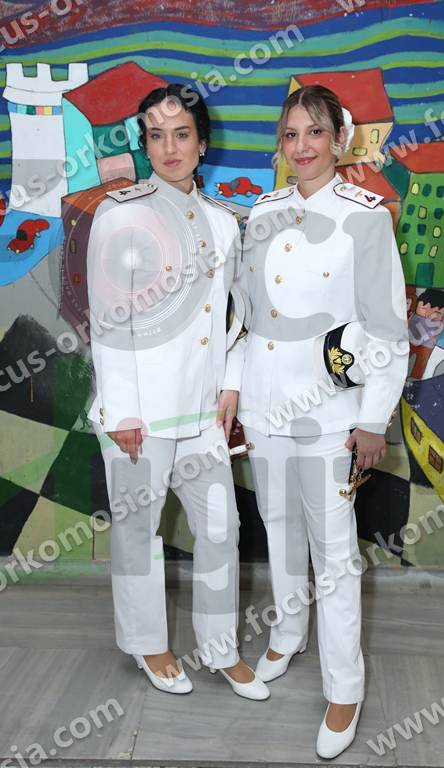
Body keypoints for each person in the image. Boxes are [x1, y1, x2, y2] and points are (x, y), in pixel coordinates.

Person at [237, 85, 408, 758]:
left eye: (315, 132)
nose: (302, 146)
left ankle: (345, 687)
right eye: (291, 134)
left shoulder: (366, 218)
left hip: (330, 412)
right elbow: (247, 318)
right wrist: (236, 396)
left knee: (334, 555)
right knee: (278, 528)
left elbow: (387, 329)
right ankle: (288, 632)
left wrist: (373, 420)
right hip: (264, 405)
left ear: (341, 139)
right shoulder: (263, 211)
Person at [87, 83, 268, 701]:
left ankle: (220, 648)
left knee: (221, 530)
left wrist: (232, 383)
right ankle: (149, 645)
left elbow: (239, 316)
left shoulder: (224, 222)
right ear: (145, 145)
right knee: (139, 532)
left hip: (202, 411)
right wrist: (123, 411)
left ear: (202, 143)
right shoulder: (119, 215)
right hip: (139, 413)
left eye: (181, 134)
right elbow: (108, 321)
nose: (169, 147)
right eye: (156, 136)